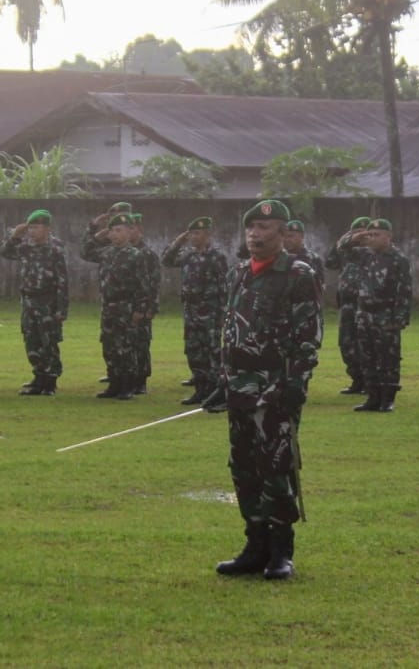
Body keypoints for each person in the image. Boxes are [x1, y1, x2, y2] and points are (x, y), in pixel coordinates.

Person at [213, 199, 321, 581]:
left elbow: (308, 335)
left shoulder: (298, 274)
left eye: (264, 227)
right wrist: (221, 380)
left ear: (282, 233)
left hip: (275, 389)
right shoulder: (239, 273)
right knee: (243, 466)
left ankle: (280, 551)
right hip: (239, 387)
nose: (255, 235)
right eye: (251, 227)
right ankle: (254, 545)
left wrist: (296, 384)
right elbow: (231, 329)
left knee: (275, 465)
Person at [336, 218, 412, 412]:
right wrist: (357, 236)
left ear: (388, 236)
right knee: (367, 358)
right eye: (370, 235)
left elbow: (404, 291)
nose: (372, 238)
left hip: (386, 315)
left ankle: (387, 399)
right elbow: (342, 248)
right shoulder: (364, 255)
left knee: (388, 359)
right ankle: (372, 397)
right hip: (364, 314)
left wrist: (399, 319)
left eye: (377, 235)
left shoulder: (398, 259)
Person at [82, 213, 151, 401]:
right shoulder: (106, 253)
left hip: (126, 306)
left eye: (119, 230)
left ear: (129, 232)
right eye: (112, 231)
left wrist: (140, 309)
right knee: (109, 346)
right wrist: (94, 228)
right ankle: (114, 383)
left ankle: (127, 385)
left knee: (126, 347)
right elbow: (85, 251)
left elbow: (143, 285)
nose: (114, 234)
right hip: (108, 306)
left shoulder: (136, 255)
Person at [0, 209, 69, 395]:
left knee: (49, 342)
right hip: (29, 301)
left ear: (47, 228)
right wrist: (15, 235)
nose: (32, 231)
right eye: (30, 228)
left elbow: (62, 281)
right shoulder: (26, 248)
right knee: (32, 341)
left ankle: (50, 381)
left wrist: (62, 309)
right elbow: (5, 252)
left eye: (36, 227)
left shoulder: (55, 250)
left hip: (48, 302)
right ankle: (38, 377)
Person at [162, 217, 230, 405]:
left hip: (210, 312)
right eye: (191, 234)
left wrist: (223, 313)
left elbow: (224, 286)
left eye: (197, 233)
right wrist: (178, 242)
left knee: (211, 352)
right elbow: (166, 260)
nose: (193, 237)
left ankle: (215, 391)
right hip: (191, 311)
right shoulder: (188, 255)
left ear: (208, 234)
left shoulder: (216, 257)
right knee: (194, 351)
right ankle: (200, 389)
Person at [324, 216, 372, 396]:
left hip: (365, 304)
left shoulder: (373, 252)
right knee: (346, 343)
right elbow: (330, 262)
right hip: (347, 304)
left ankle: (370, 381)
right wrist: (345, 240)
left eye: (364, 232)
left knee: (366, 343)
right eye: (357, 232)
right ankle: (356, 380)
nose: (361, 236)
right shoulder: (345, 250)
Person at [129, 214, 161, 395]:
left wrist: (151, 307)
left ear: (140, 230)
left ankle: (141, 380)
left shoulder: (147, 254)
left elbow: (154, 283)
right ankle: (128, 377)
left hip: (142, 306)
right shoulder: (123, 252)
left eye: (132, 228)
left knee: (141, 344)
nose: (129, 232)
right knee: (127, 344)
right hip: (126, 306)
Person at [283, 220, 325, 287]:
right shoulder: (279, 257)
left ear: (302, 236)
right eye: (285, 236)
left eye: (291, 236)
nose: (287, 240)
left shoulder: (313, 259)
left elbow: (320, 285)